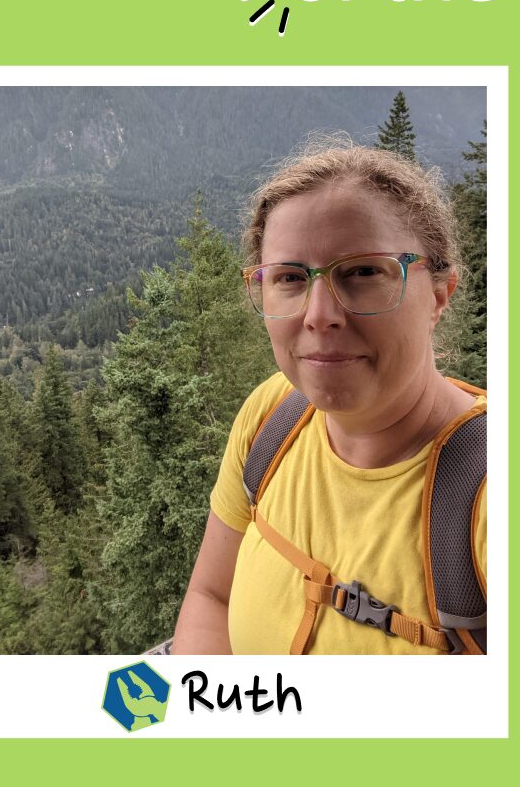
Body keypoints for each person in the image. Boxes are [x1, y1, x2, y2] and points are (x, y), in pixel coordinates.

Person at [172, 139, 486, 654]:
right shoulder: (272, 416)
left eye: (363, 272)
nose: (320, 314)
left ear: (438, 294)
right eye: (291, 278)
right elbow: (212, 597)